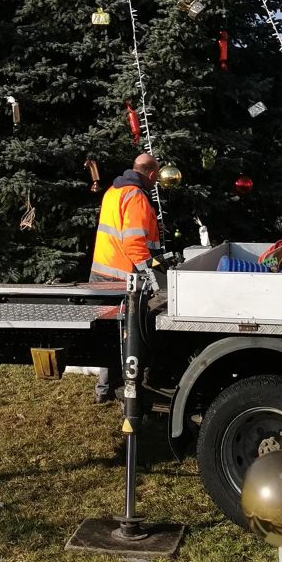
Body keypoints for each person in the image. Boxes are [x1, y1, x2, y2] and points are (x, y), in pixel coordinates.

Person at [89, 151, 162, 403]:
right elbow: (133, 243)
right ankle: (125, 390)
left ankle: (104, 389)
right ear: (151, 174)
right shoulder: (137, 197)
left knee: (107, 334)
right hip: (122, 277)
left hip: (101, 273)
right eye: (156, 178)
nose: (156, 183)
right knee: (126, 336)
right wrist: (152, 277)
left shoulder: (113, 191)